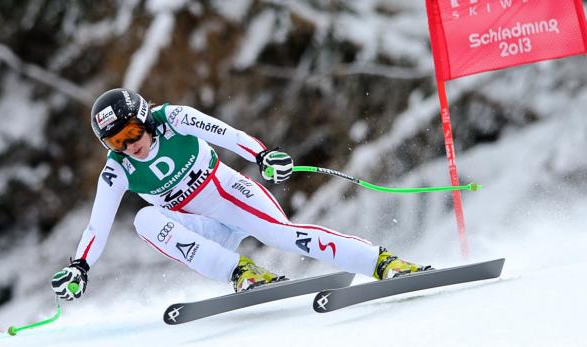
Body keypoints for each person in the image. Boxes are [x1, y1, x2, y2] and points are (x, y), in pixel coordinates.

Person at [51, 88, 430, 301]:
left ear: (146, 118)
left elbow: (225, 134)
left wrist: (262, 156)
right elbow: (97, 224)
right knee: (144, 220)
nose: (129, 145)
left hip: (229, 194)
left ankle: (383, 263)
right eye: (116, 141)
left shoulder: (174, 119)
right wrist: (80, 267)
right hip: (202, 224)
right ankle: (241, 272)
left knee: (282, 236)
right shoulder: (117, 169)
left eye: (131, 132)